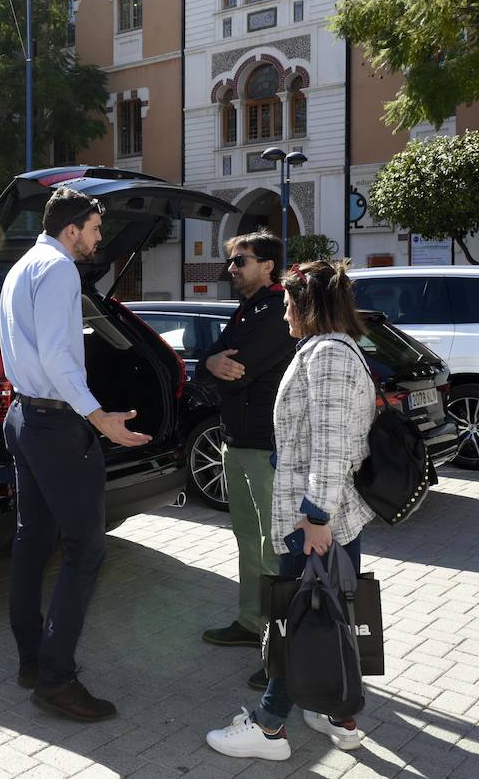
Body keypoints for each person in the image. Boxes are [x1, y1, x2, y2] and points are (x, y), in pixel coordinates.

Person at [206, 260, 377, 761]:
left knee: (292, 622)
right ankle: (335, 715)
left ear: (307, 305)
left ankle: (269, 728)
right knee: (331, 620)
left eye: (287, 305)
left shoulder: (326, 354)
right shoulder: (338, 349)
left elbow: (330, 445)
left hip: (317, 518)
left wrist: (316, 518)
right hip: (330, 514)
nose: (283, 316)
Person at [0, 186, 152, 722]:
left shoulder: (21, 265)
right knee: (86, 550)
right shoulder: (60, 269)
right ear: (71, 230)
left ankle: (32, 664)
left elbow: (26, 349)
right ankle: (57, 681)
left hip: (22, 416)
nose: (98, 239)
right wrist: (98, 417)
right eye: (94, 229)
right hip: (56, 424)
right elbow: (60, 357)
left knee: (31, 541)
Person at [196, 233, 297, 690]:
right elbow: (209, 362)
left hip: (267, 445)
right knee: (246, 538)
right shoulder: (244, 309)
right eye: (231, 261)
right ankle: (250, 621)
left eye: (240, 261)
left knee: (274, 549)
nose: (231, 268)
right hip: (236, 442)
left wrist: (217, 365)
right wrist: (210, 362)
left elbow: (241, 370)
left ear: (268, 265)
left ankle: (282, 649)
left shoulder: (277, 308)